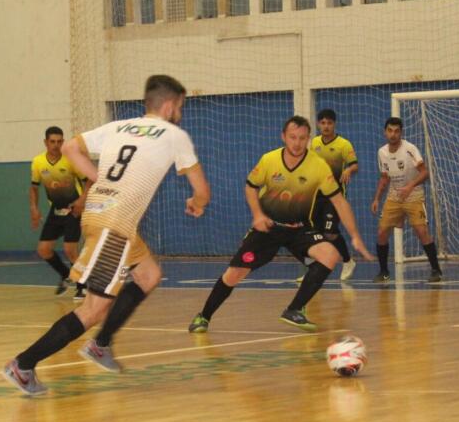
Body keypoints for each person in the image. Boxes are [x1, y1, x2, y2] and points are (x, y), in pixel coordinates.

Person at [2, 75, 210, 395]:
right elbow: (202, 190)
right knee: (94, 309)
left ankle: (102, 344)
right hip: (114, 227)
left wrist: (97, 177)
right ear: (169, 105)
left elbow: (71, 147)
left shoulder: (119, 126)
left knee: (149, 275)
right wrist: (197, 202)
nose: (179, 112)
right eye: (180, 106)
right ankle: (24, 364)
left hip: (105, 218)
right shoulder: (173, 134)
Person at [188, 115, 373, 334]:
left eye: (302, 138)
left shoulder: (318, 166)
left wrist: (355, 236)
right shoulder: (269, 160)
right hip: (268, 227)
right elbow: (250, 187)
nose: (297, 143)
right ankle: (204, 316)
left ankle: (294, 309)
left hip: (299, 229)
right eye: (292, 137)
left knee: (330, 255)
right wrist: (257, 215)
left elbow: (339, 202)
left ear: (308, 139)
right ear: (283, 136)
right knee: (235, 274)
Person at [370, 117, 442, 283]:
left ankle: (436, 270)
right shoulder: (382, 152)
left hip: (413, 193)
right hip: (394, 194)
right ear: (385, 132)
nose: (393, 134)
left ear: (401, 132)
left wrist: (410, 186)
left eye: (396, 131)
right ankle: (384, 272)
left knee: (421, 231)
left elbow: (424, 173)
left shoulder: (410, 149)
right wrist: (376, 199)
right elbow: (384, 178)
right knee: (381, 232)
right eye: (390, 130)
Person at [30, 126, 88, 299]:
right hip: (55, 211)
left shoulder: (70, 160)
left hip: (73, 210)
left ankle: (82, 285)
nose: (56, 145)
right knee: (44, 250)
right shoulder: (38, 162)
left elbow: (89, 181)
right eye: (52, 142)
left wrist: (81, 201)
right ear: (46, 142)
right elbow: (33, 187)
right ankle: (65, 274)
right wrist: (34, 208)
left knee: (70, 250)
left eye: (59, 141)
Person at [309, 108, 359, 280]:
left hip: (335, 196)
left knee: (330, 232)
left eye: (329, 123)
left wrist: (348, 170)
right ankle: (313, 267)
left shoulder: (344, 144)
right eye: (323, 123)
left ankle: (347, 261)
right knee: (312, 230)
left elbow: (355, 165)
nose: (326, 126)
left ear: (334, 124)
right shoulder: (314, 143)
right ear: (318, 124)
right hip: (317, 195)